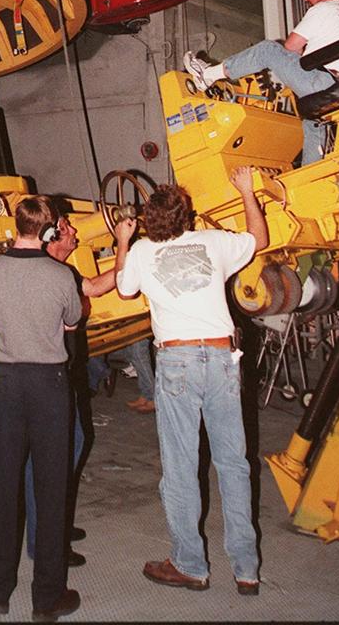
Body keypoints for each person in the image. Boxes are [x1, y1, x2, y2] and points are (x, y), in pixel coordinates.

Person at [115, 166, 268, 595]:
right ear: (188, 215)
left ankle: (189, 565)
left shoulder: (143, 250)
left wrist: (123, 240)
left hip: (178, 360)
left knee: (181, 468)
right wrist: (246, 192)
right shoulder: (214, 242)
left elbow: (125, 290)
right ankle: (246, 569)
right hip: (221, 357)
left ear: (148, 220)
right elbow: (260, 238)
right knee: (234, 464)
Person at [0, 196, 82, 622]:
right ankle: (46, 599)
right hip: (48, 388)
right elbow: (73, 322)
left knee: (2, 485)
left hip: (5, 386)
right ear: (47, 233)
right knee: (51, 488)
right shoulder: (60, 276)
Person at [185, 0, 339, 164]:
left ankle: (207, 75)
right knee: (313, 122)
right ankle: (310, 178)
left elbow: (291, 45)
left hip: (322, 82)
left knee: (268, 50)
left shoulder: (324, 8)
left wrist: (289, 57)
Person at [23, 210, 116, 569]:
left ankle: (54, 525)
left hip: (61, 379)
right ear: (52, 236)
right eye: (67, 227)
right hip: (48, 381)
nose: (76, 230)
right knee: (50, 459)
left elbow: (93, 286)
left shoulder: (63, 272)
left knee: (71, 447)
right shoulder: (50, 276)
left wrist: (125, 247)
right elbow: (78, 308)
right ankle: (45, 542)